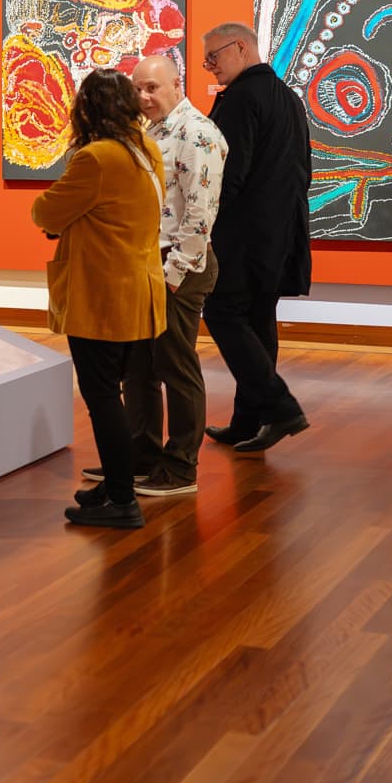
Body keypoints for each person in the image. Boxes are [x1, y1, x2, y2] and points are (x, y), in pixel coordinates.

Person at [32, 68, 166, 530]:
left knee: (102, 396)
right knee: (119, 392)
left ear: (87, 108)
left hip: (102, 295)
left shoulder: (97, 158)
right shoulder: (144, 148)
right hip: (138, 291)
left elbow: (45, 211)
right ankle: (115, 484)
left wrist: (62, 218)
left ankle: (123, 500)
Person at [108, 54, 227, 499]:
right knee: (137, 369)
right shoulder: (149, 131)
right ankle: (141, 460)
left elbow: (200, 214)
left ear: (176, 83)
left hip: (180, 268)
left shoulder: (199, 134)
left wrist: (174, 273)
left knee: (175, 366)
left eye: (152, 88)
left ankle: (181, 467)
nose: (143, 96)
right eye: (137, 88)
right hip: (146, 264)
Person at [199, 22, 313, 453]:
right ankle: (248, 421)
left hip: (245, 235)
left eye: (214, 56)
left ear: (241, 48)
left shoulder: (242, 98)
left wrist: (203, 222)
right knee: (259, 322)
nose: (209, 66)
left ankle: (280, 408)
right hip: (279, 233)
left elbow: (228, 173)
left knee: (225, 314)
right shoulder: (286, 95)